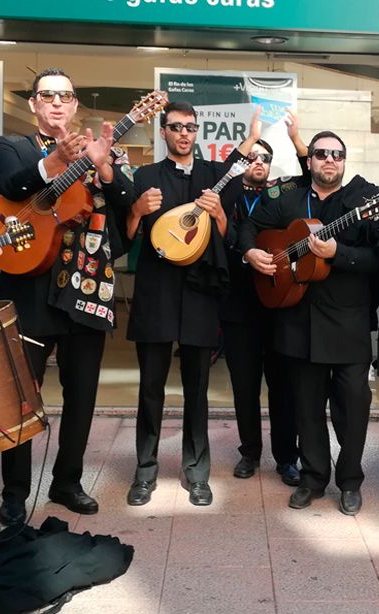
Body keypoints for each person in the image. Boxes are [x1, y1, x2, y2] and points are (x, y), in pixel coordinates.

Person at [0, 67, 133, 525]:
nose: (55, 102)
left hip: (86, 290)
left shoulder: (100, 150)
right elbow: (12, 186)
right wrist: (54, 164)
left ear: (74, 106)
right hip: (29, 292)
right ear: (32, 103)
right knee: (21, 397)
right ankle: (15, 491)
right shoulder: (13, 147)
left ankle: (67, 482)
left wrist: (105, 165)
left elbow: (127, 207)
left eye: (64, 96)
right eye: (46, 95)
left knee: (83, 394)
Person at [241, 131, 379, 515]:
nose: (330, 160)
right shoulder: (288, 197)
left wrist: (339, 253)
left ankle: (350, 481)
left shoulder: (364, 200)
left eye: (337, 154)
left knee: (353, 407)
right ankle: (312, 479)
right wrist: (252, 252)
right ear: (308, 160)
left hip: (349, 322)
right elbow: (249, 225)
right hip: (297, 320)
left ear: (344, 161)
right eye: (322, 153)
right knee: (305, 408)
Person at [125, 101, 260, 507]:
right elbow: (128, 234)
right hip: (156, 293)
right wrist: (135, 209)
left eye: (190, 127)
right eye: (175, 127)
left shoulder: (214, 176)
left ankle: (197, 472)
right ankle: (145, 471)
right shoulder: (145, 176)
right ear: (163, 132)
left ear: (197, 133)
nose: (184, 133)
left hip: (200, 294)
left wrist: (219, 215)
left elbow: (227, 233)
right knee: (150, 389)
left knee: (197, 389)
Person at [225, 114, 308, 487]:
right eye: (251, 157)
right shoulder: (227, 197)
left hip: (278, 308)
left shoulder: (284, 194)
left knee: (284, 388)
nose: (258, 163)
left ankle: (286, 458)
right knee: (244, 386)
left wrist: (298, 141)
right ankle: (249, 452)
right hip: (239, 308)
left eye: (264, 158)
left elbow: (316, 179)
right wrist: (250, 138)